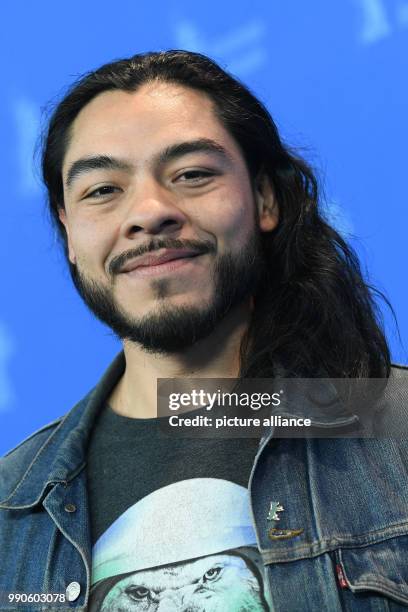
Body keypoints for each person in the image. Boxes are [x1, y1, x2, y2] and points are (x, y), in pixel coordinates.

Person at [0, 50, 407, 611]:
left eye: (192, 174)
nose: (148, 212)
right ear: (69, 234)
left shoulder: (398, 428)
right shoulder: (11, 506)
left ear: (264, 199)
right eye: (102, 189)